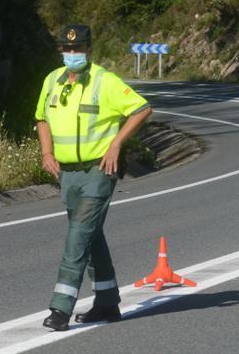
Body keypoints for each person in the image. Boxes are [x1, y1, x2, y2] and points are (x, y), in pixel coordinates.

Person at [36, 24, 152, 331]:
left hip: (99, 171)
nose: (72, 54)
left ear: (89, 50)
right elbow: (42, 119)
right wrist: (47, 153)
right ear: (60, 51)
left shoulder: (105, 81)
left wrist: (116, 144)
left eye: (78, 49)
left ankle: (60, 309)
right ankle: (107, 302)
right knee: (91, 235)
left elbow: (141, 109)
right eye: (67, 49)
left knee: (77, 237)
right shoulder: (52, 81)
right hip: (68, 173)